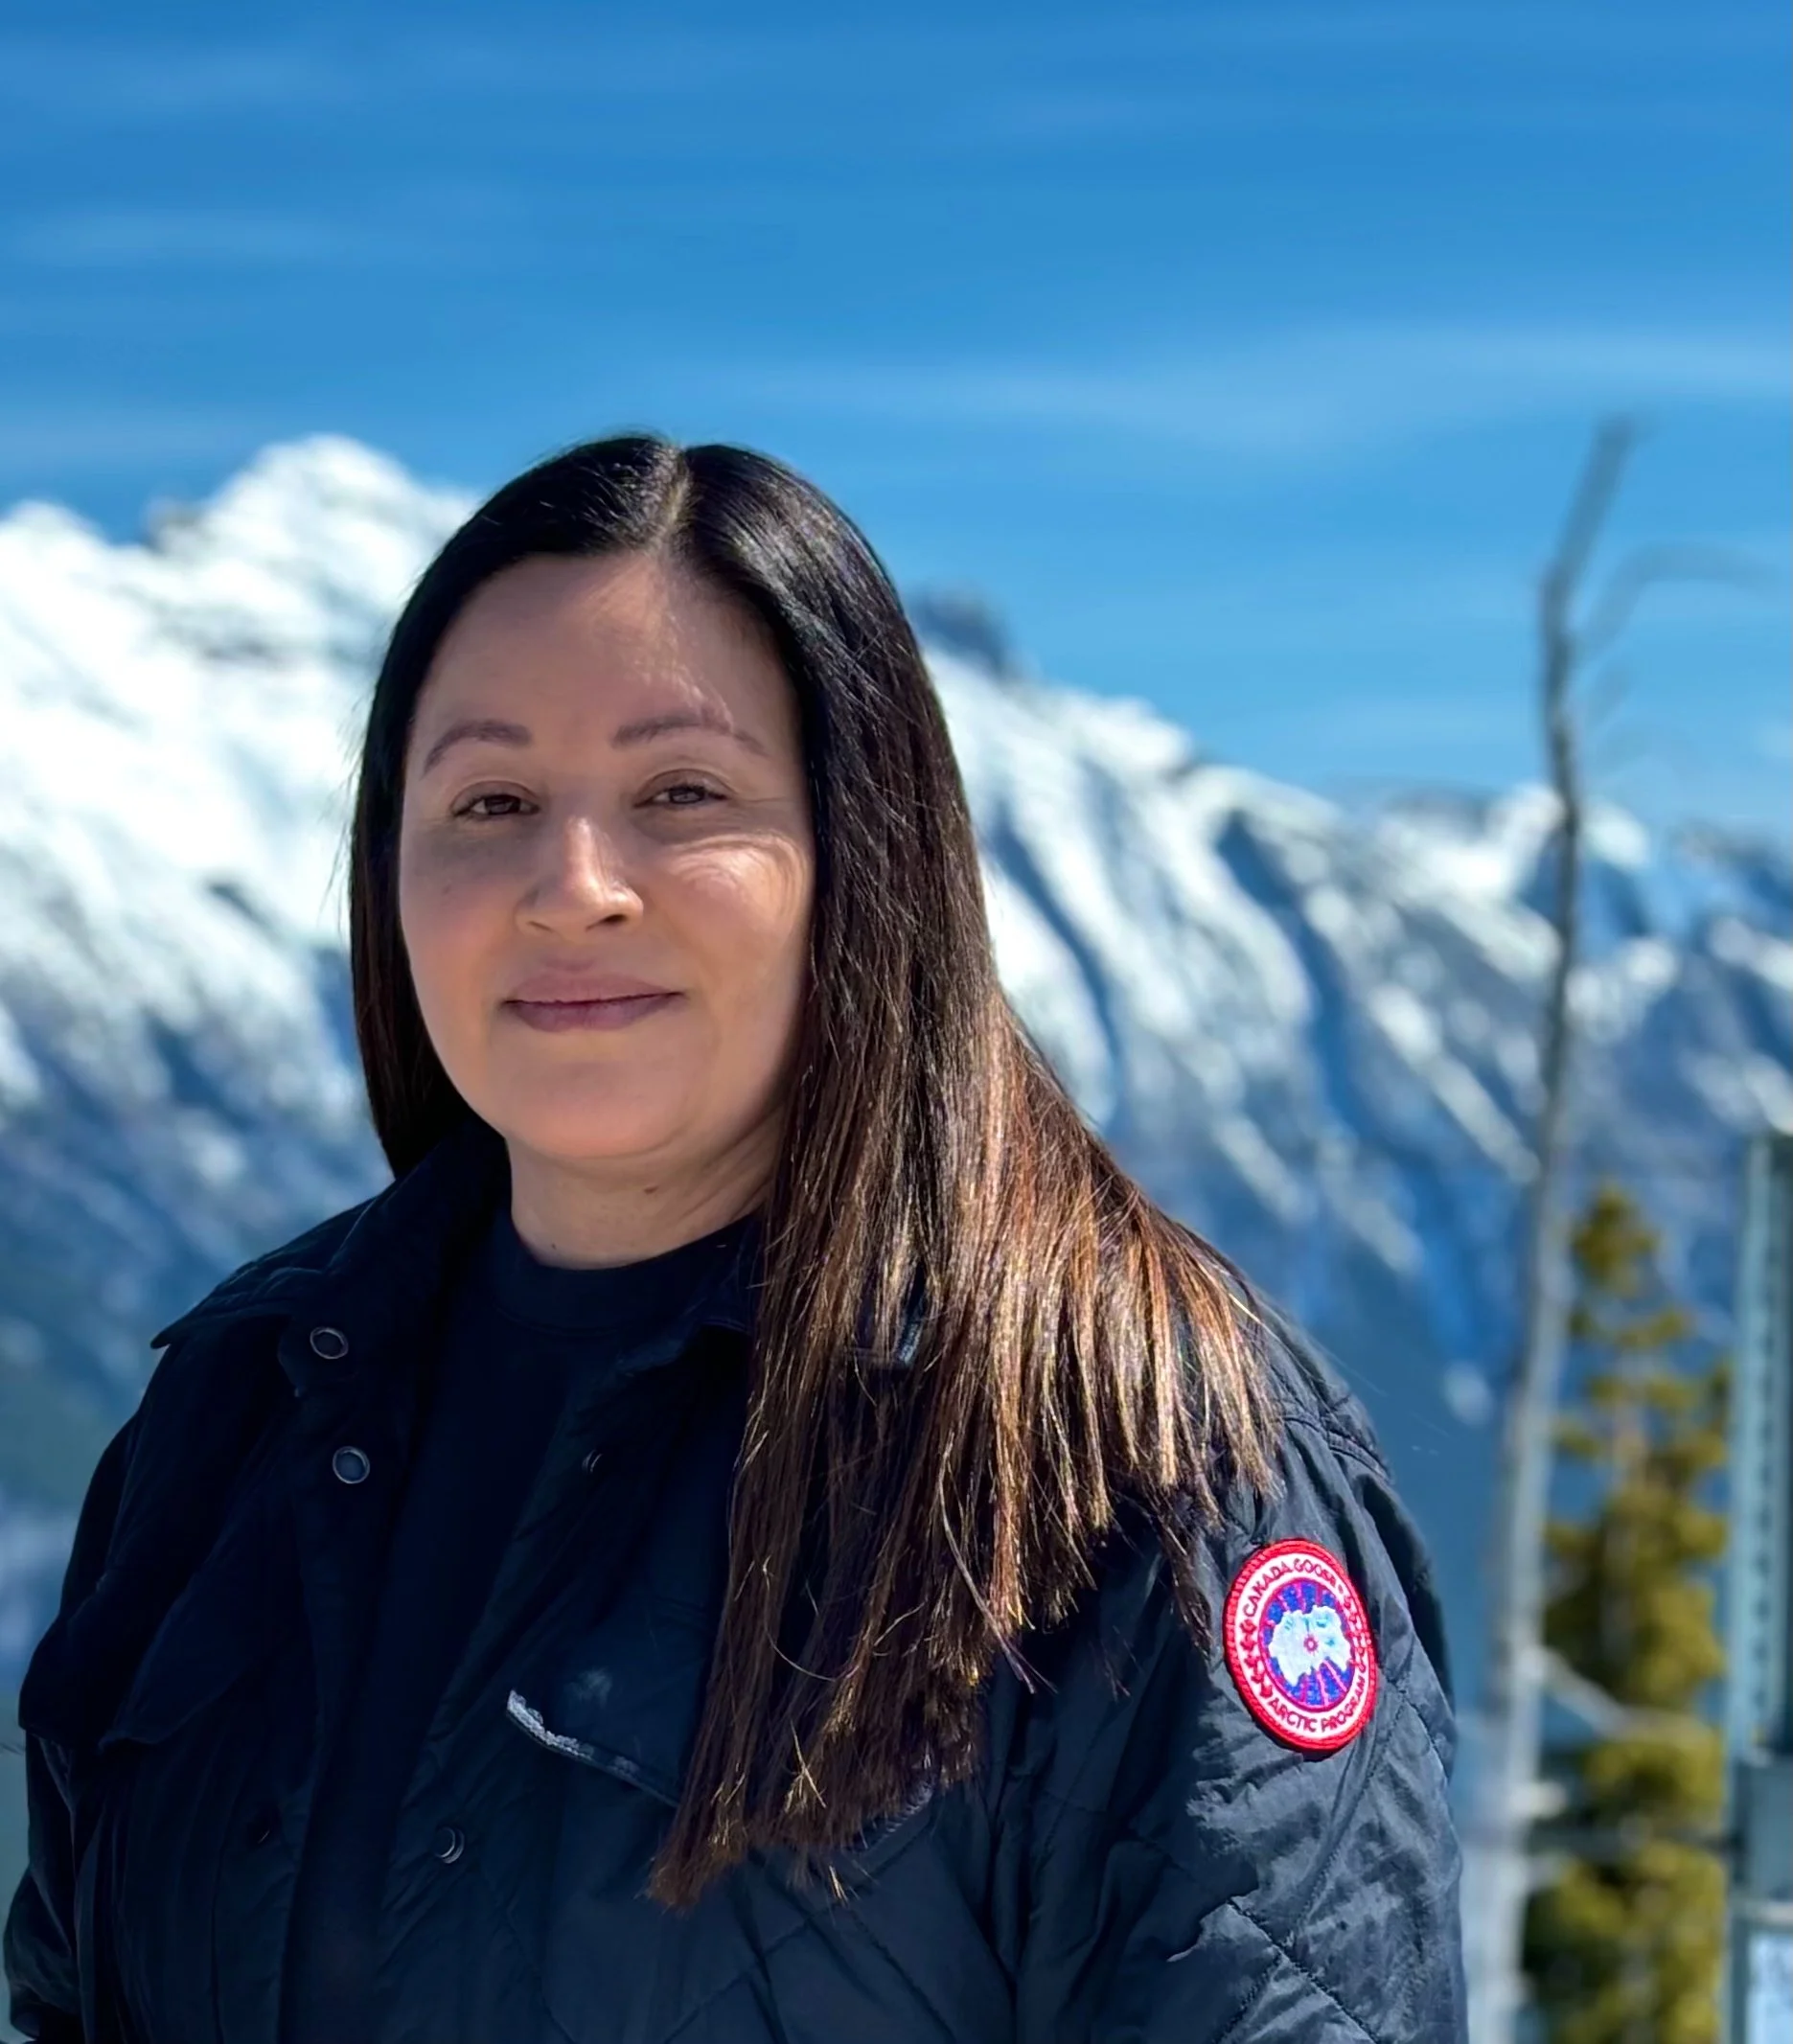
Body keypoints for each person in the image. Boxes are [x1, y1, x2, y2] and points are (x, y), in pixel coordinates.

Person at [4, 435, 1467, 2043]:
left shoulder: (1128, 1453)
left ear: (864, 856)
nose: (571, 886)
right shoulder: (243, 1408)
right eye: (489, 802)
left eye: (680, 796)